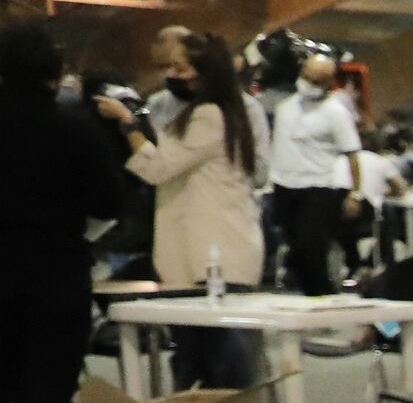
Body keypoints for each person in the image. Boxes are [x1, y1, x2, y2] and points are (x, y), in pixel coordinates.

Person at [0, 24, 130, 403]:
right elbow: (108, 201)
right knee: (48, 379)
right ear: (53, 70)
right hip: (55, 265)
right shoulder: (73, 126)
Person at [99, 27, 263, 295]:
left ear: (204, 72)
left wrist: (128, 123)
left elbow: (158, 168)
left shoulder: (208, 116)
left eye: (180, 68)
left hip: (212, 253)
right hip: (212, 249)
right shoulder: (226, 111)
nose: (171, 75)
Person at [262, 49, 361, 295]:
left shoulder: (336, 113)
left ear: (329, 82)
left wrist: (355, 193)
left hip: (318, 188)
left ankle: (322, 296)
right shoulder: (285, 107)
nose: (309, 84)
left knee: (312, 248)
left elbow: (352, 154)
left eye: (317, 81)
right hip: (284, 186)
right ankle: (306, 295)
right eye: (307, 77)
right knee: (294, 250)